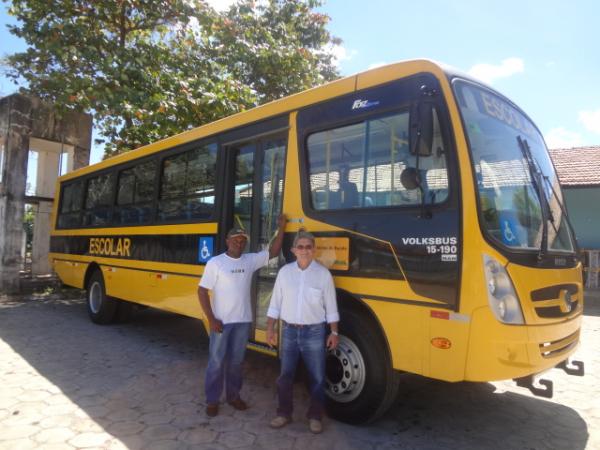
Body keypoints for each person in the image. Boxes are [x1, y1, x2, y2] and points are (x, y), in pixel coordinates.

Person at [198, 214, 286, 417]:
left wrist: (281, 228)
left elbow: (273, 252)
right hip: (221, 323)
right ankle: (212, 400)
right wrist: (211, 319)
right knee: (216, 362)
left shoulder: (249, 260)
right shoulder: (216, 263)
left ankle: (233, 396)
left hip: (243, 322)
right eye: (235, 239)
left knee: (237, 362)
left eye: (242, 240)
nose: (239, 242)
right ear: (228, 241)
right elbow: (202, 291)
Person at [266, 230, 339, 434]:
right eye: (300, 247)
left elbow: (331, 307)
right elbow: (275, 304)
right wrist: (270, 328)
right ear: (293, 250)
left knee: (316, 377)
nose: (304, 250)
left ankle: (315, 416)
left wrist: (333, 332)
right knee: (285, 376)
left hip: (315, 333)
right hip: (288, 331)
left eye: (308, 247)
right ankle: (284, 413)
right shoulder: (284, 273)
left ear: (314, 250)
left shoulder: (323, 275)